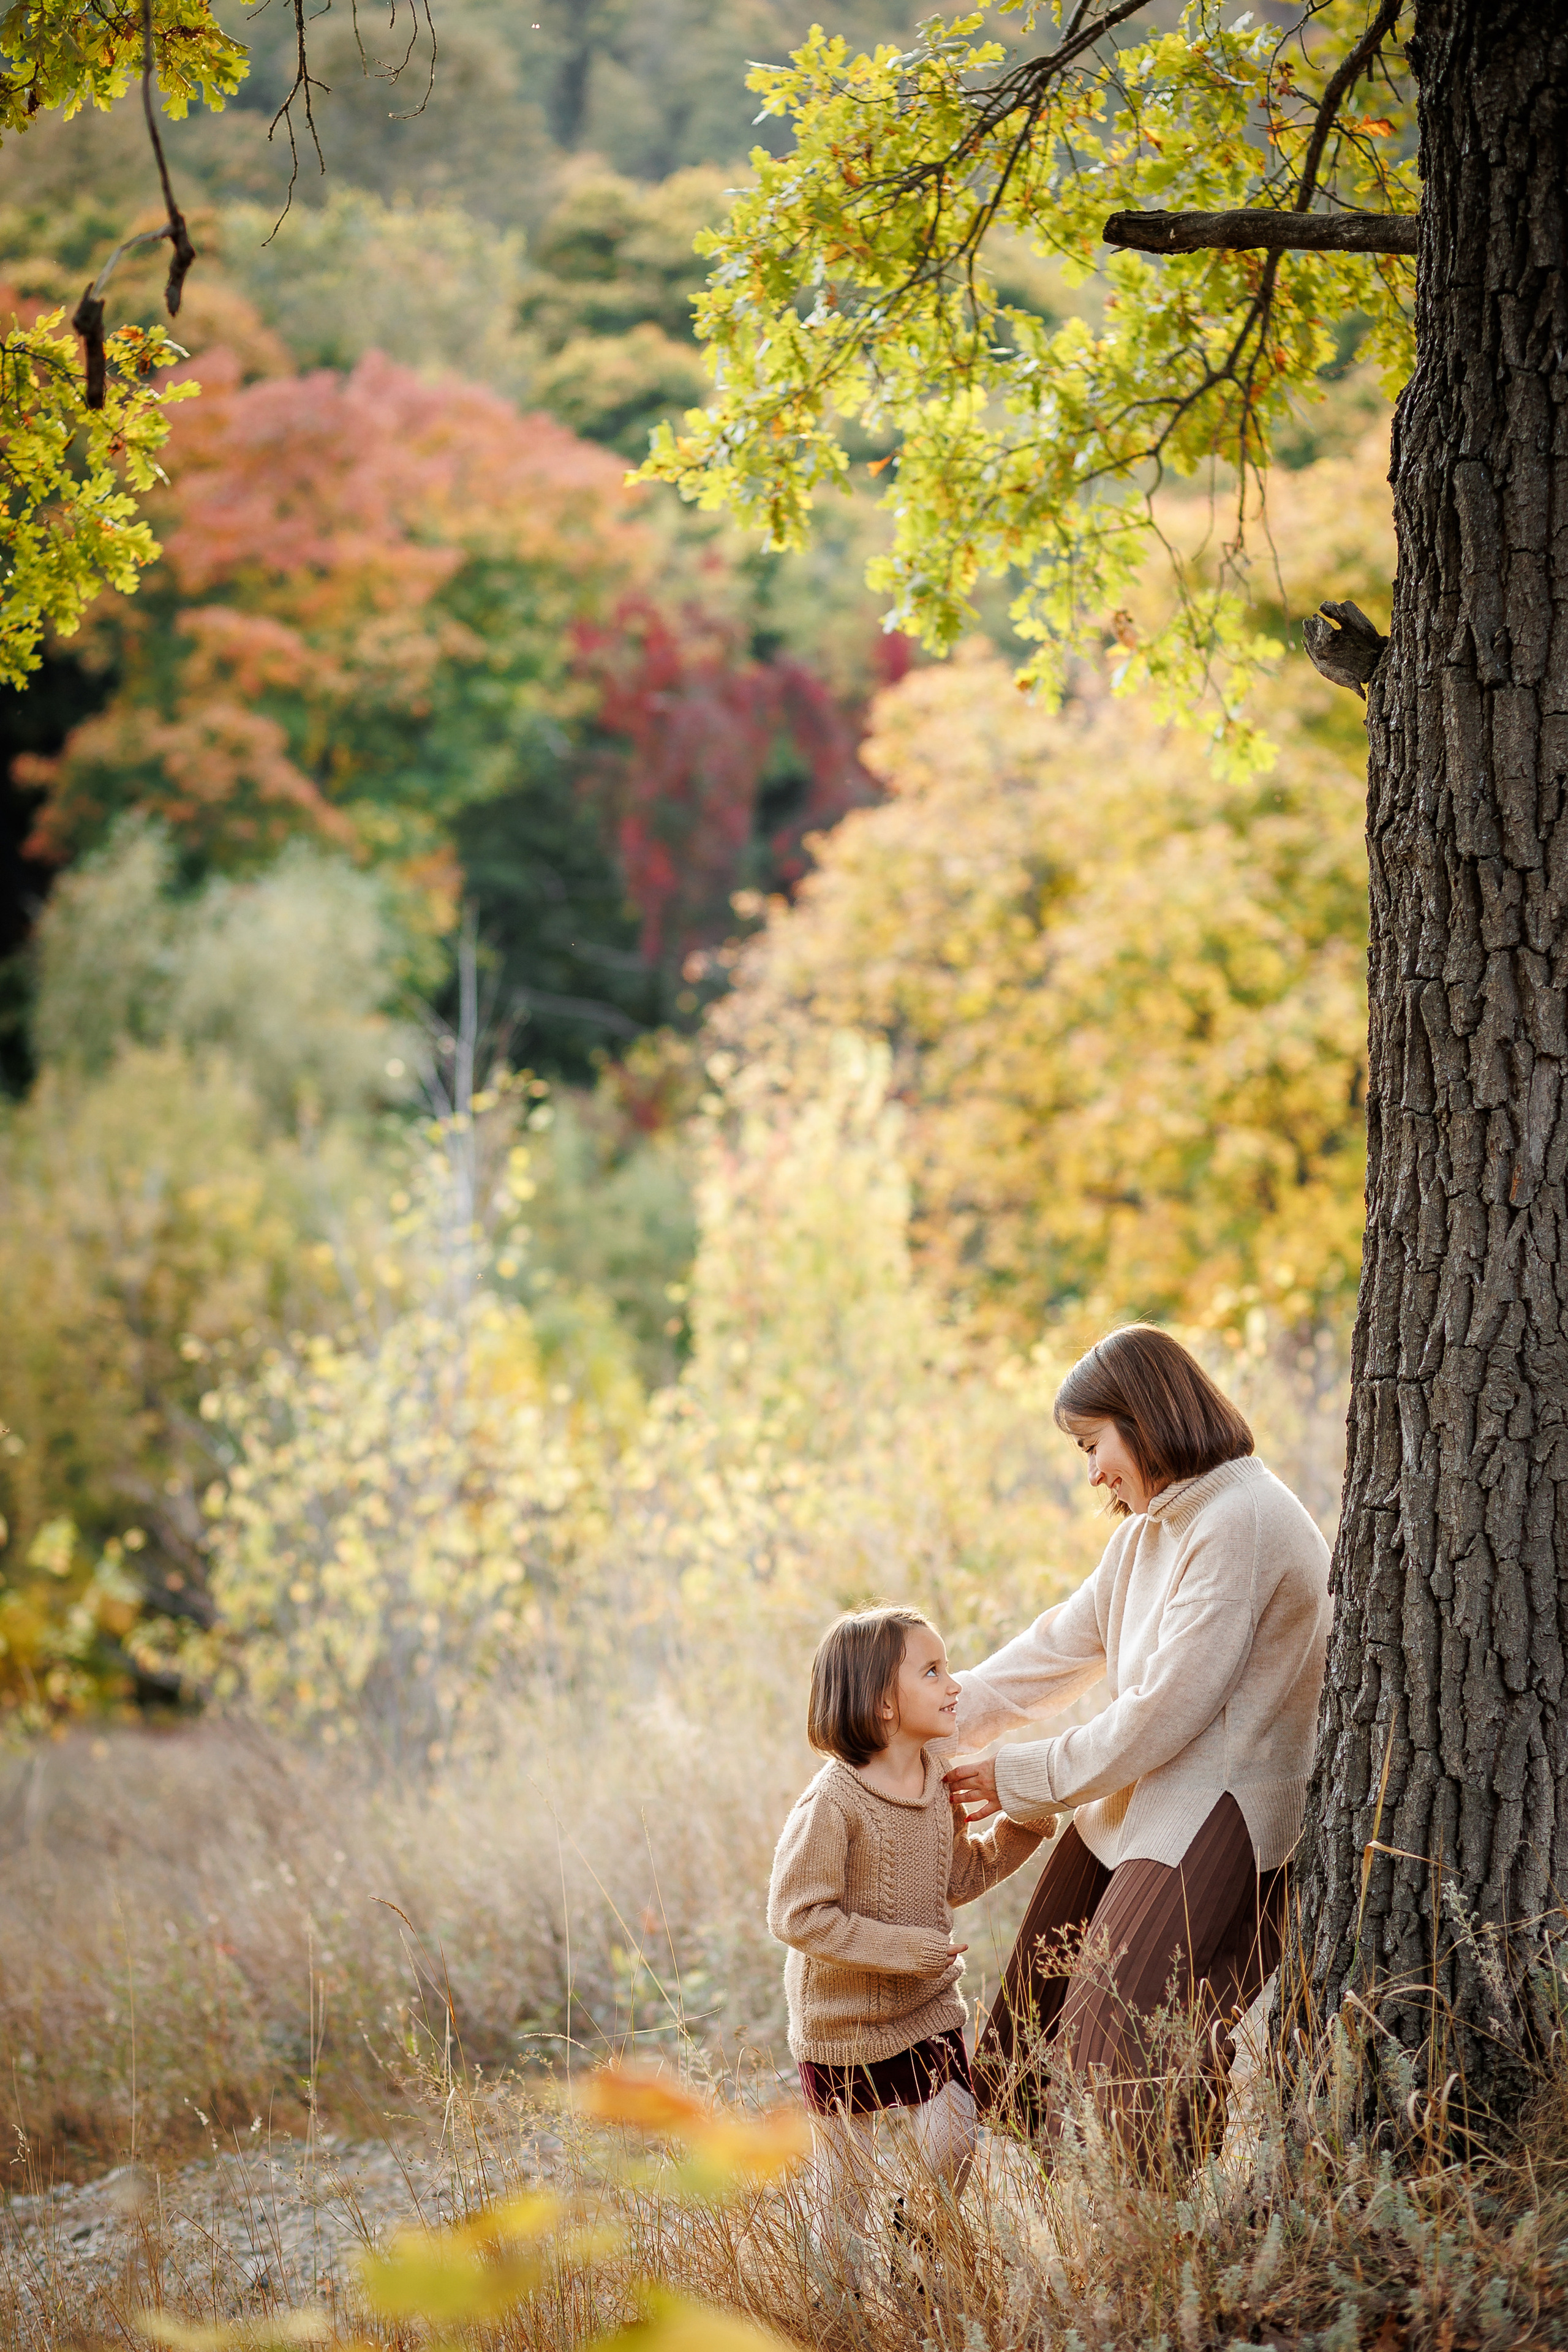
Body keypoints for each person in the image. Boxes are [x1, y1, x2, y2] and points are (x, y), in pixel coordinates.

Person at [940, 1324, 1331, 2168]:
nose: (1092, 1473)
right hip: (1143, 1797)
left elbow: (1163, 1712)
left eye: (1093, 1445)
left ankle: (1164, 2246)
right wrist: (917, 1724)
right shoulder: (1148, 1534)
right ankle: (1023, 2224)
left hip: (1218, 1803)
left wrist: (1019, 1775)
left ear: (1144, 1416)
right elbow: (1049, 1654)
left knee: (1115, 2038)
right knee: (1020, 2041)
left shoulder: (1242, 1519)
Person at [767, 1605, 1049, 2254]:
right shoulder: (833, 1802)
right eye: (932, 1671)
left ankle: (922, 2241)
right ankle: (837, 2302)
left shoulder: (935, 1780)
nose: (954, 1685)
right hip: (840, 2021)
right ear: (882, 1705)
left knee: (954, 2139)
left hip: (926, 2005)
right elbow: (795, 1913)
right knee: (843, 2186)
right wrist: (904, 1950)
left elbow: (958, 1877)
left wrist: (1022, 1829)